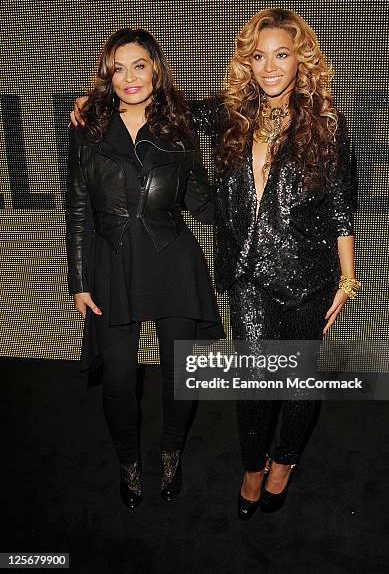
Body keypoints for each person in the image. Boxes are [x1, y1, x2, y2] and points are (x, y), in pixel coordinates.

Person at [70, 9, 359, 520]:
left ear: (301, 61)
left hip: (308, 271)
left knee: (299, 382)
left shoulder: (327, 126)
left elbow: (341, 207)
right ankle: (252, 467)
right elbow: (162, 104)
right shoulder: (229, 115)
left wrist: (347, 278)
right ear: (246, 63)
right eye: (258, 55)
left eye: (282, 54)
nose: (270, 66)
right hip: (245, 271)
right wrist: (92, 101)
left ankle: (282, 465)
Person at [65, 28, 224, 510]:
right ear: (107, 75)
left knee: (180, 375)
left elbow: (199, 198)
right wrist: (78, 279)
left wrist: (254, 212)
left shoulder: (182, 124)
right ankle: (128, 461)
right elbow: (77, 206)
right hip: (111, 264)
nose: (129, 77)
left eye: (139, 65)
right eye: (118, 67)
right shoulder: (87, 127)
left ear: (155, 68)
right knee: (117, 380)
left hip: (173, 260)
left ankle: (171, 452)